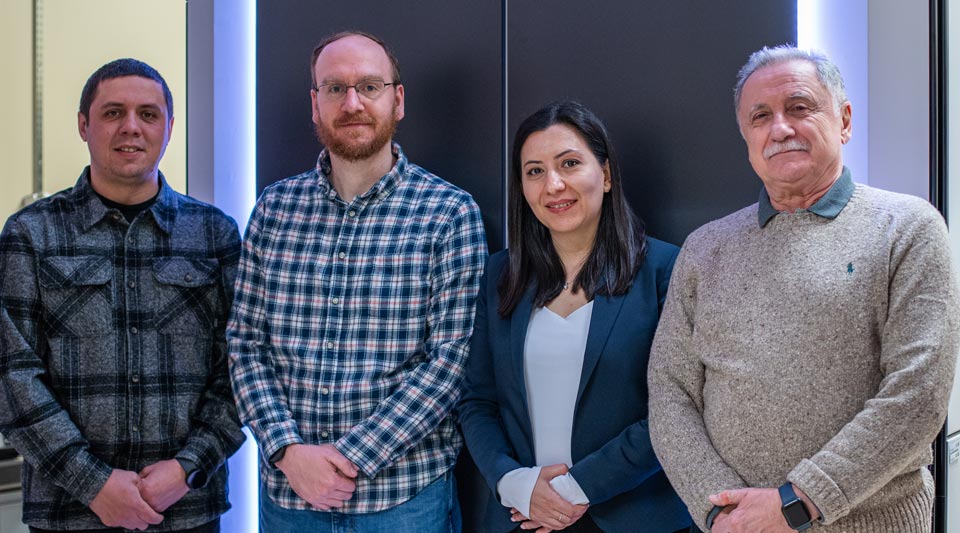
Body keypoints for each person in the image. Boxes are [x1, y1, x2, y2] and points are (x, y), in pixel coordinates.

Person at [648, 45, 959, 533]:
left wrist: (797, 502)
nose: (780, 128)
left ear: (845, 120)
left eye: (799, 107)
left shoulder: (908, 228)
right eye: (760, 117)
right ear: (746, 137)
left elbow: (917, 395)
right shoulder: (704, 249)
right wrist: (719, 511)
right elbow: (670, 392)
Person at [227, 31, 488, 531]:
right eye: (334, 89)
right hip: (289, 498)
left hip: (404, 501)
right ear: (314, 104)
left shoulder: (449, 214)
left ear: (398, 98)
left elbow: (450, 363)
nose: (352, 103)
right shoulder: (274, 209)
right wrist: (287, 450)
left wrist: (348, 460)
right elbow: (245, 345)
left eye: (369, 86)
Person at [0, 58, 245, 533]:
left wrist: (187, 468)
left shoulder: (214, 234)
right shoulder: (31, 234)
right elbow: (12, 374)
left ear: (169, 128)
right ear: (83, 125)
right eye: (113, 113)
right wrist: (92, 482)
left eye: (148, 114)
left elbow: (241, 368)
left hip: (186, 508)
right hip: (69, 512)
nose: (131, 127)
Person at [458, 101, 693, 533]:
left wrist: (573, 490)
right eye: (534, 171)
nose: (553, 184)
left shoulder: (665, 270)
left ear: (605, 175)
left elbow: (674, 410)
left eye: (569, 163)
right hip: (521, 516)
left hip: (633, 517)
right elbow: (478, 402)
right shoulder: (499, 276)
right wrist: (514, 483)